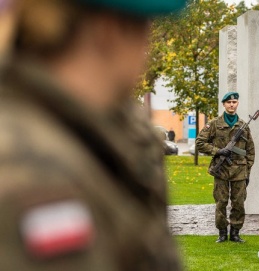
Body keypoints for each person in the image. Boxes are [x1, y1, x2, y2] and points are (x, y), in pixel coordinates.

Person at [0, 0, 185, 270]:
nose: (147, 53)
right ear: (108, 30)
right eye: (145, 29)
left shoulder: (74, 131)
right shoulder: (39, 177)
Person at [196, 91, 255, 243]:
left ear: (237, 104)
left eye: (234, 102)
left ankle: (235, 233)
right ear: (224, 104)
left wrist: (247, 170)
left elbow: (250, 150)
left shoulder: (243, 125)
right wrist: (218, 151)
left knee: (238, 203)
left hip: (239, 170)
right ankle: (222, 233)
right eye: (228, 102)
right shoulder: (214, 124)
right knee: (221, 202)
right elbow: (200, 143)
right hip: (221, 169)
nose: (231, 105)